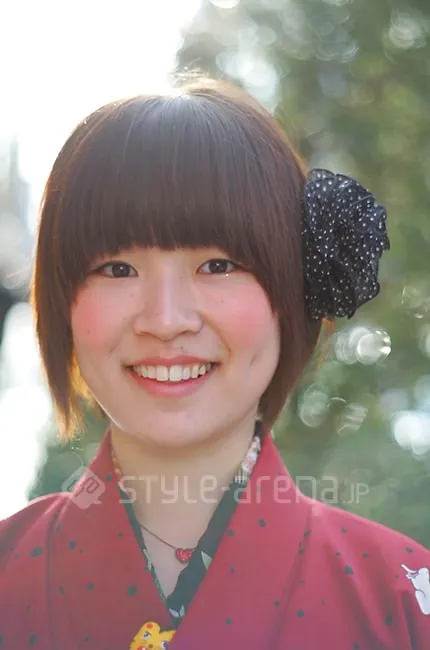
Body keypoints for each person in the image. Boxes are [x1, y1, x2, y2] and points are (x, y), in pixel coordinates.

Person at [0, 78, 428, 650]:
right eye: (117, 269)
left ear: (291, 291)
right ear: (62, 303)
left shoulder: (401, 604)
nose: (166, 319)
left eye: (219, 265)